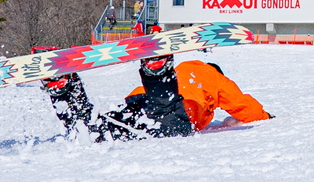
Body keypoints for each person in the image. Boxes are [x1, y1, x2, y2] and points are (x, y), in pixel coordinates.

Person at [45, 54, 271, 141]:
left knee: (93, 129)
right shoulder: (212, 76)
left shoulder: (183, 71)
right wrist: (266, 116)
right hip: (173, 114)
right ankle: (156, 70)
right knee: (166, 109)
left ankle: (64, 87)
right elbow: (244, 107)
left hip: (136, 103)